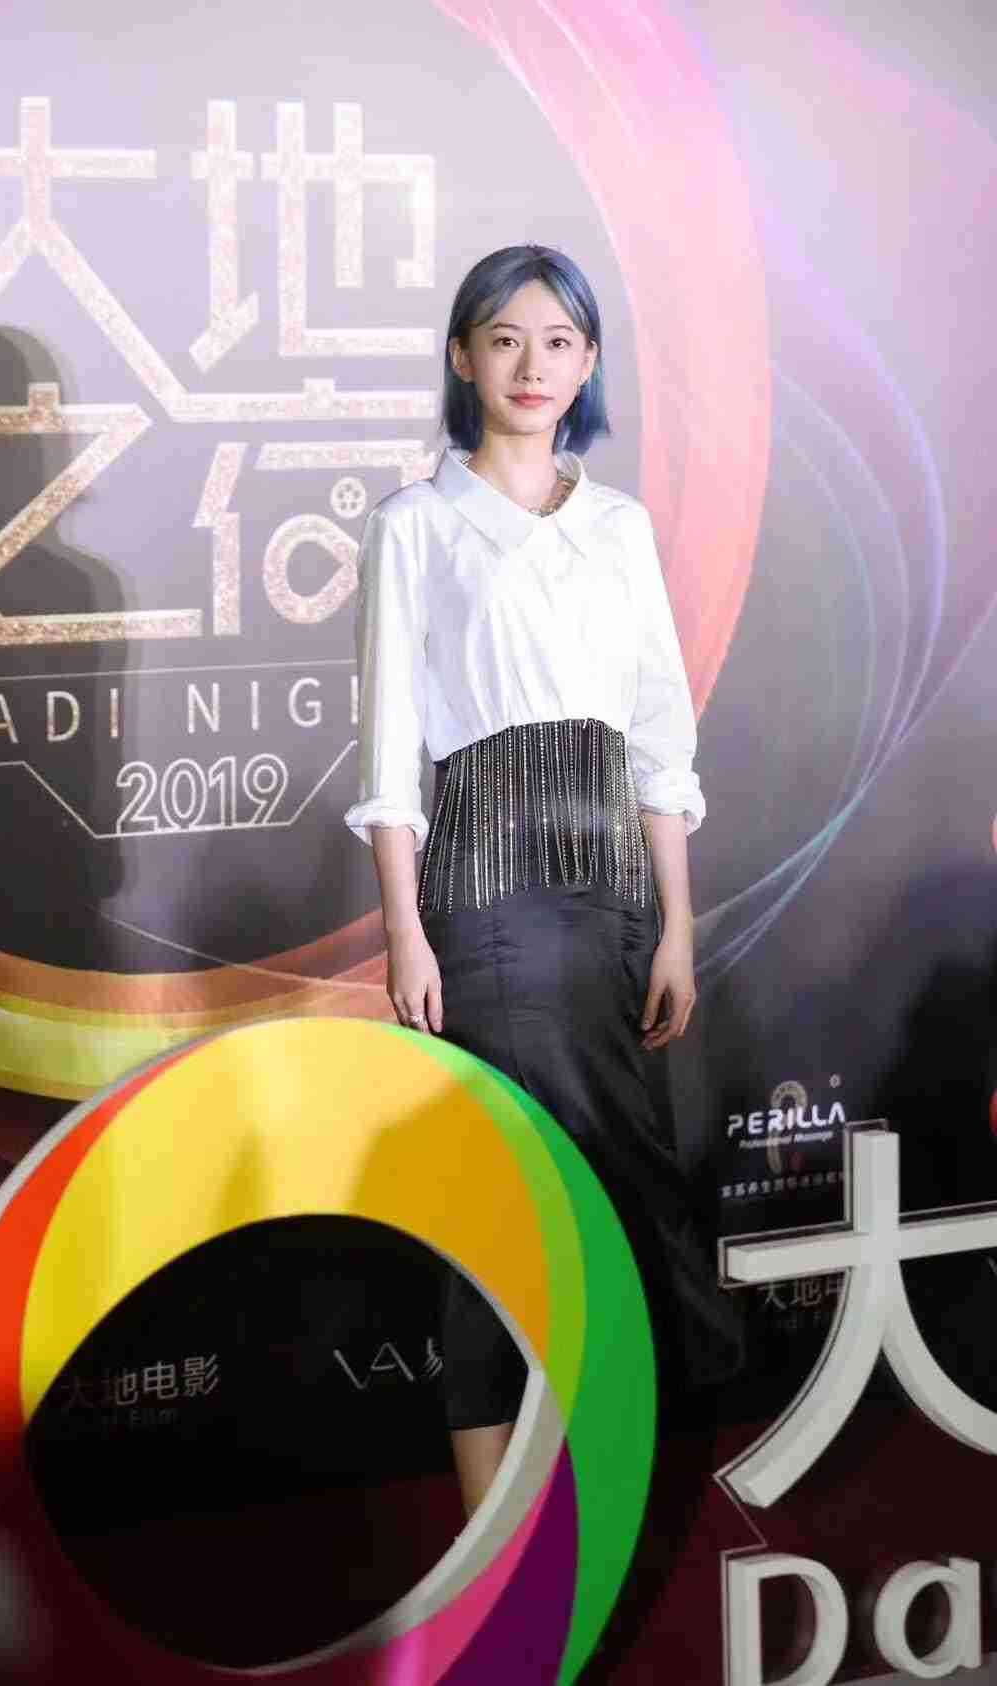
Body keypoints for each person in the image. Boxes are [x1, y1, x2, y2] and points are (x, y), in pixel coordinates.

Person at [344, 244, 741, 1517]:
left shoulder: (619, 528)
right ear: (463, 356)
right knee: (505, 1193)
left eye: (558, 340)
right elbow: (390, 756)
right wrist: (405, 933)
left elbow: (659, 739)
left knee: (627, 1183)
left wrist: (676, 926)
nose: (532, 365)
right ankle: (493, 1539)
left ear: (589, 363)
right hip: (485, 898)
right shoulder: (415, 526)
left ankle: (623, 1496)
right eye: (505, 338)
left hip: (616, 895)